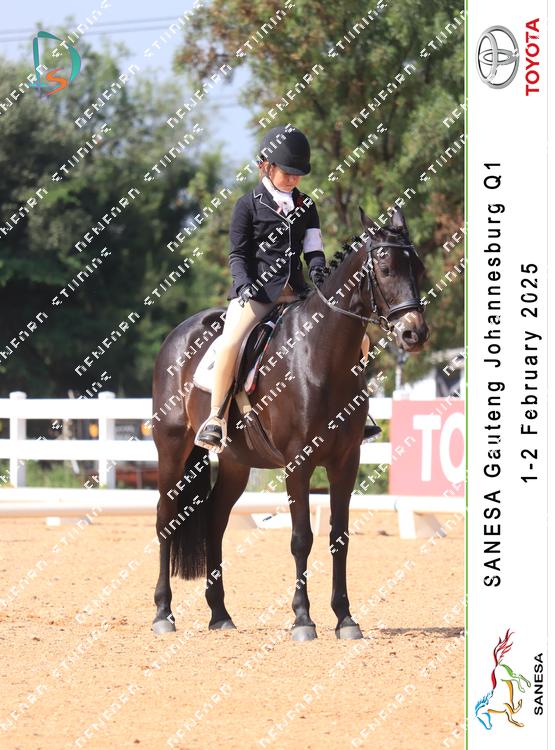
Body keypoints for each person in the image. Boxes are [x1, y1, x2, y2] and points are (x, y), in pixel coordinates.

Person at [194, 125, 371, 453]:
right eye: (288, 172)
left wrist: (318, 272)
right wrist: (244, 284)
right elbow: (237, 255)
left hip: (298, 294)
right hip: (257, 294)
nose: (294, 179)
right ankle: (216, 417)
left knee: (359, 338)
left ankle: (355, 407)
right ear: (266, 166)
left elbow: (314, 249)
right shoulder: (247, 205)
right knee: (231, 342)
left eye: (298, 174)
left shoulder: (307, 205)